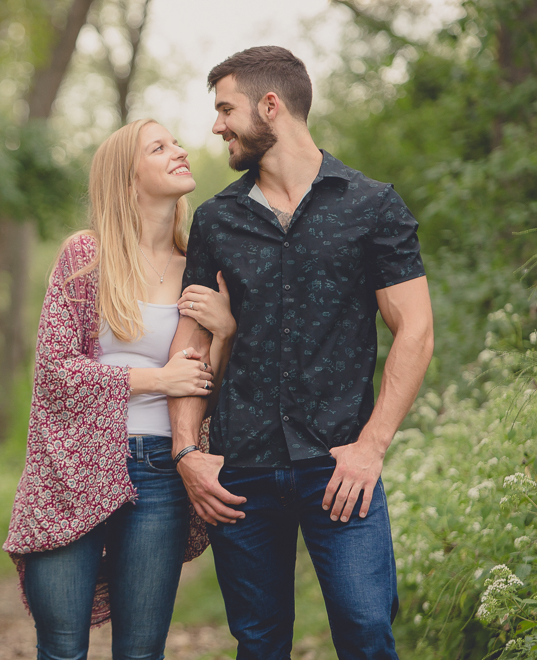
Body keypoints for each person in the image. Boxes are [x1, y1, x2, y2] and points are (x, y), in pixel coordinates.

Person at [168, 46, 434, 659]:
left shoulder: (372, 206)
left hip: (340, 467)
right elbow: (192, 342)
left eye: (225, 109)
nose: (216, 126)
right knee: (259, 643)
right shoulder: (217, 219)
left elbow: (414, 328)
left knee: (366, 630)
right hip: (241, 472)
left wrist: (372, 447)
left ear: (271, 105)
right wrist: (187, 452)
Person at [3, 118, 237, 660]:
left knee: (141, 651)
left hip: (160, 471)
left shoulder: (199, 270)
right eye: (160, 147)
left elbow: (207, 388)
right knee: (62, 647)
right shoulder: (85, 257)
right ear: (128, 181)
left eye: (175, 143)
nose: (179, 151)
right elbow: (55, 371)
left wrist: (224, 334)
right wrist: (156, 379)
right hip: (71, 466)